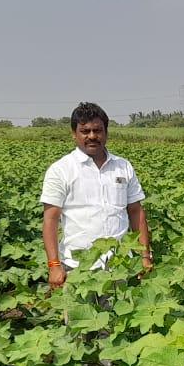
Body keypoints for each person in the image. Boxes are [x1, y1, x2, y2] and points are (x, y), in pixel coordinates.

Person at [40, 102, 153, 289]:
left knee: (121, 317)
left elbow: (136, 212)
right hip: (79, 267)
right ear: (74, 134)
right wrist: (54, 265)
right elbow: (50, 220)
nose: (92, 136)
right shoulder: (61, 170)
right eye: (85, 131)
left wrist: (144, 256)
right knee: (82, 317)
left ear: (106, 133)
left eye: (97, 130)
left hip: (120, 265)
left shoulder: (123, 166)